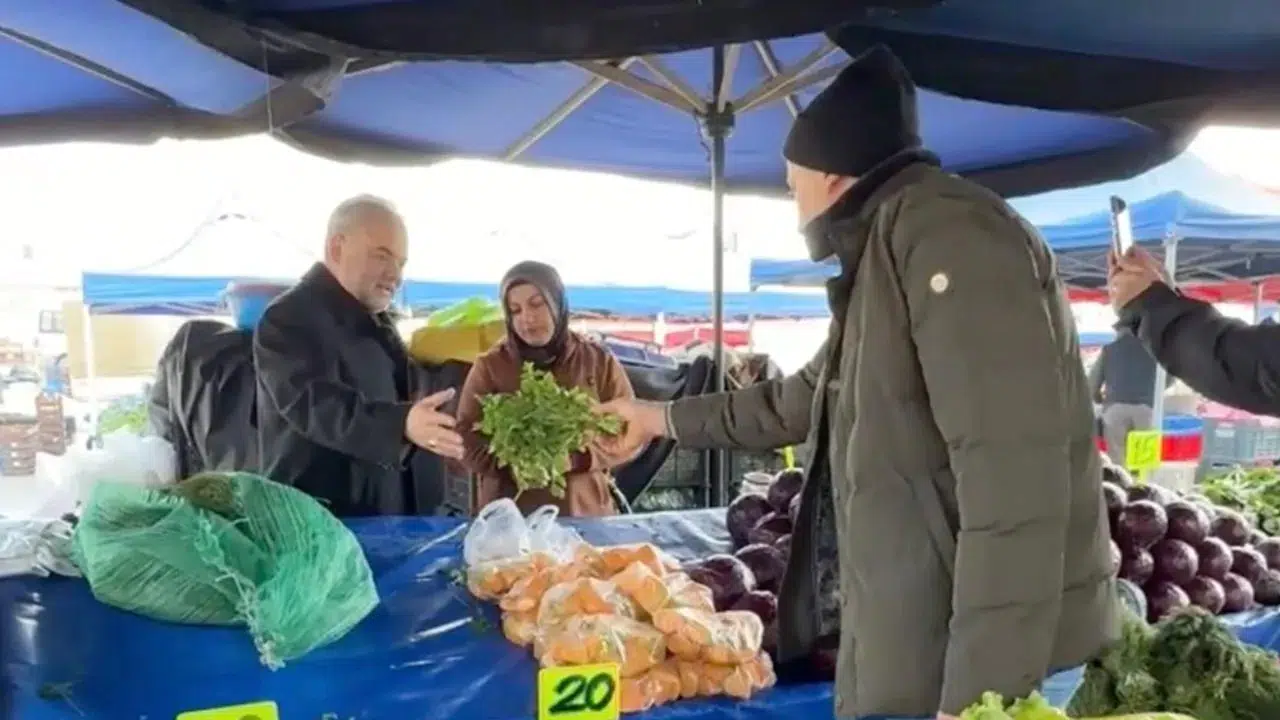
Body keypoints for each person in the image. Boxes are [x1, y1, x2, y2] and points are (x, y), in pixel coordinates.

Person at [598, 45, 1117, 720]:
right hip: (919, 645)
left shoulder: (952, 236)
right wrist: (656, 419)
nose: (793, 205)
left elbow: (1014, 479)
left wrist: (984, 696)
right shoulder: (883, 254)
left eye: (792, 185)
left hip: (983, 666)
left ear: (834, 177)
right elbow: (793, 401)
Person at [254, 195, 463, 517]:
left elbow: (407, 392)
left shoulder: (377, 323)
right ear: (337, 248)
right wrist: (401, 424)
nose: (395, 274)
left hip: (389, 519)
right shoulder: (289, 317)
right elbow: (313, 403)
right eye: (382, 256)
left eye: (401, 263)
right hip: (326, 524)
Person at [457, 260, 635, 517]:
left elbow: (629, 430)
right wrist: (512, 465)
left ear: (556, 303)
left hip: (585, 515)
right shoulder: (491, 366)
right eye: (515, 310)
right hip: (510, 520)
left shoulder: (596, 361)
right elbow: (465, 435)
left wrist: (578, 459)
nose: (527, 318)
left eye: (537, 304)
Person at [1110, 245, 1280, 416]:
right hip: (1144, 405)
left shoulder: (1111, 349)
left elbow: (1250, 366)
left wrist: (1149, 303)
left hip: (1117, 408)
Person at [1088, 331, 1167, 465]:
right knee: (1144, 462)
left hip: (1115, 409)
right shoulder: (1155, 351)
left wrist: (1098, 398)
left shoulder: (1110, 349)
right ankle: (1143, 483)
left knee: (1117, 459)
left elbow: (1092, 383)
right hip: (1145, 408)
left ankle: (1123, 483)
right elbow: (1167, 377)